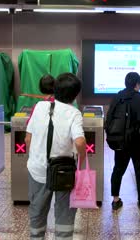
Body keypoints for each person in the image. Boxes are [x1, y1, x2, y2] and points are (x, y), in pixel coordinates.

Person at [25, 73, 86, 240]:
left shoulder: (39, 106)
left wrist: (35, 158)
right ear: (75, 95)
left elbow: (27, 138)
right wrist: (81, 164)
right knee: (64, 212)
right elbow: (80, 143)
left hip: (38, 170)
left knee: (37, 209)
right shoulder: (74, 113)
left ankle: (36, 237)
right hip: (63, 171)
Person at [108, 72, 140, 211]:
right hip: (137, 142)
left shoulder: (118, 97)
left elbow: (109, 119)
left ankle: (115, 200)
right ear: (137, 84)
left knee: (118, 169)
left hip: (121, 141)